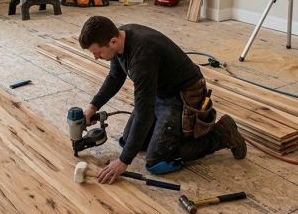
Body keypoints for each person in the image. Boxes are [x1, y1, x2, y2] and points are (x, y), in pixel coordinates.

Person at [78, 16, 246, 184]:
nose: (96, 58)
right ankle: (170, 134)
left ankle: (222, 134)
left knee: (156, 163)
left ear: (113, 42)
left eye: (98, 53)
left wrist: (123, 162)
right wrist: (93, 106)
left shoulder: (141, 56)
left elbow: (145, 114)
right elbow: (115, 76)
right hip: (159, 91)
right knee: (128, 142)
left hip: (183, 94)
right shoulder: (119, 38)